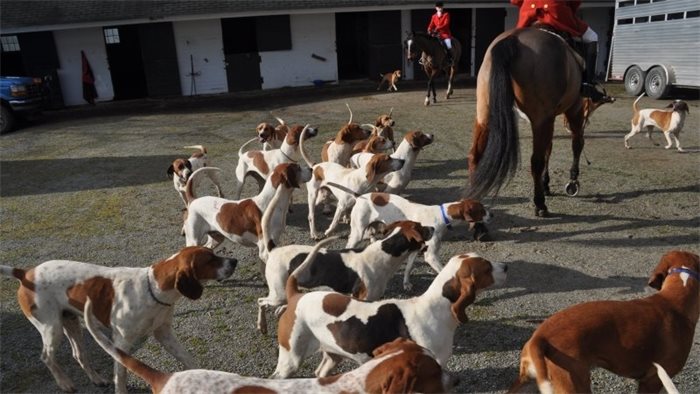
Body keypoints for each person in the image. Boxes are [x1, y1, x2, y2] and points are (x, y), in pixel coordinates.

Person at [510, 0, 604, 101]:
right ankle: (588, 83)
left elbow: (515, 1)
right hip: (555, 11)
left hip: (528, 12)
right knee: (592, 37)